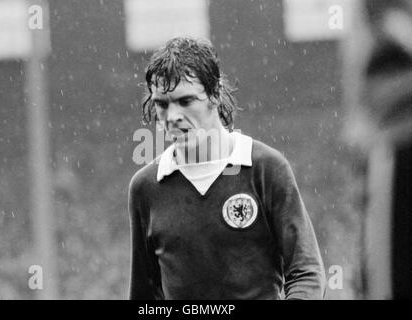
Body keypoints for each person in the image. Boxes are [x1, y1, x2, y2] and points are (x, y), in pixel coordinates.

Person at [128, 37, 326, 300]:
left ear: (215, 94)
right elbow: (145, 295)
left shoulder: (265, 168)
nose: (172, 116)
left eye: (186, 101)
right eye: (162, 104)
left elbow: (306, 272)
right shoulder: (146, 187)